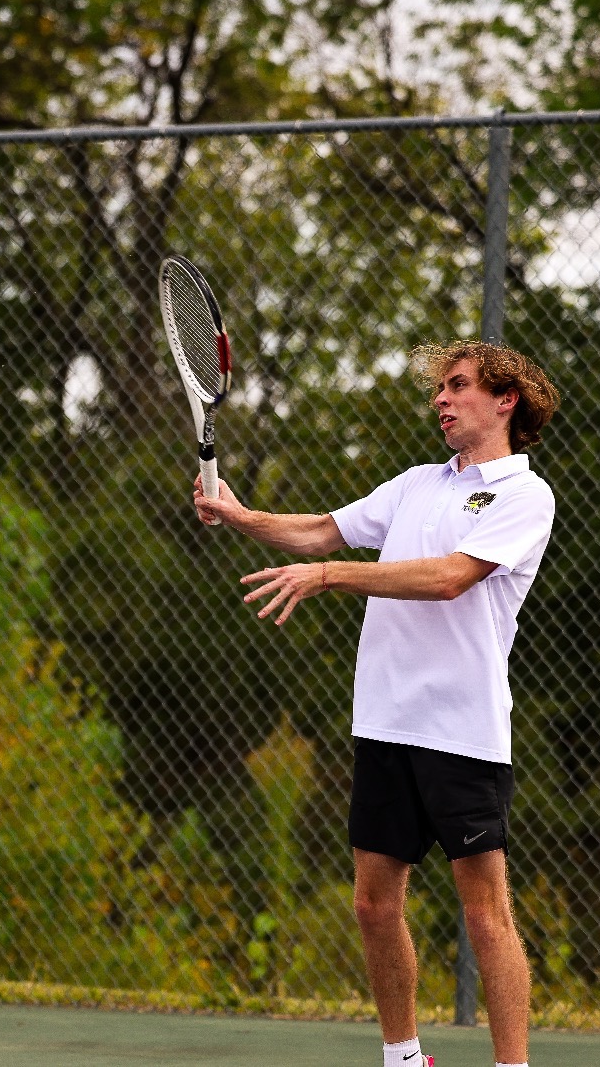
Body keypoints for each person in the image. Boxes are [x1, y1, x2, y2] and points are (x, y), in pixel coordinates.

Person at [192, 339, 559, 1067]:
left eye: (457, 386)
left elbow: (453, 576)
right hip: (386, 722)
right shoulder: (417, 483)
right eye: (440, 389)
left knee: (485, 914)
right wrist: (240, 515)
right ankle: (403, 1057)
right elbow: (324, 528)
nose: (441, 400)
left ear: (505, 399)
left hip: (463, 731)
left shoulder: (525, 495)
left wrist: (329, 575)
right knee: (371, 903)